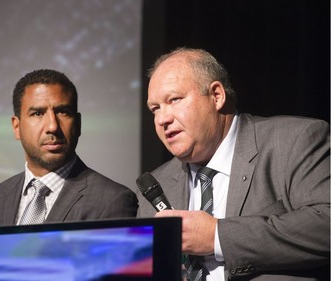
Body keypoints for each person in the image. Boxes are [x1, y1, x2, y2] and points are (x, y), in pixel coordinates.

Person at [136, 48, 330, 280]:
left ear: (217, 96)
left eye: (174, 100)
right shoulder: (158, 185)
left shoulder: (294, 141)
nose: (161, 119)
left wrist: (217, 237)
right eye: (155, 109)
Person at [0, 69, 137, 228]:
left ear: (78, 124)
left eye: (63, 112)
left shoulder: (112, 201)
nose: (52, 126)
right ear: (16, 127)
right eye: (37, 113)